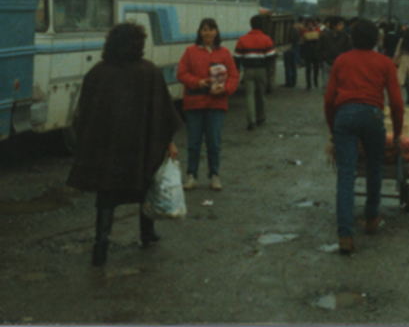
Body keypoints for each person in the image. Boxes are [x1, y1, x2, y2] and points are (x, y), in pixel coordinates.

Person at [66, 23, 183, 267]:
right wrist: (169, 143)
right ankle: (147, 234)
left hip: (108, 153)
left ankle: (100, 246)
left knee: (106, 197)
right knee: (143, 190)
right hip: (139, 151)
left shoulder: (98, 72)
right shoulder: (148, 72)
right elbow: (163, 114)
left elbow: (82, 115)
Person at [324, 19, 404, 255]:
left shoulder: (341, 61)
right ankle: (371, 217)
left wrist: (333, 130)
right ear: (377, 39)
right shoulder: (385, 62)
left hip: (344, 117)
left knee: (346, 174)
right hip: (373, 116)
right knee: (374, 166)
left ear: (352, 37)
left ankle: (345, 235)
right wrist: (398, 134)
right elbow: (397, 103)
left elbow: (329, 100)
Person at [177, 18, 239, 191]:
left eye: (211, 29)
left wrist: (226, 89)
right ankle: (191, 176)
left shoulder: (224, 53)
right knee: (193, 143)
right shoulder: (190, 51)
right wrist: (197, 82)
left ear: (216, 32)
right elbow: (181, 73)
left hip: (216, 104)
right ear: (199, 32)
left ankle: (214, 176)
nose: (208, 33)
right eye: (204, 29)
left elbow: (234, 75)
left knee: (214, 142)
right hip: (194, 104)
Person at [234, 15, 276, 130]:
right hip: (261, 70)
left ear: (251, 25)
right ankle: (260, 117)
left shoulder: (242, 39)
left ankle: (251, 121)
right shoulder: (266, 39)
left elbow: (237, 57)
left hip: (248, 70)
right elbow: (271, 57)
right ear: (262, 25)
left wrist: (237, 70)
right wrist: (268, 70)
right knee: (260, 95)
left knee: (249, 95)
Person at [317, 16, 352, 90]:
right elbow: (318, 49)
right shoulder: (324, 36)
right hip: (327, 64)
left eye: (343, 24)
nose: (343, 26)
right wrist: (323, 59)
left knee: (340, 86)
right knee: (326, 86)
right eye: (340, 24)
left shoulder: (345, 37)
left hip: (340, 65)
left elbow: (348, 50)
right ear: (334, 25)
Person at [301, 17, 321, 90]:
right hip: (308, 51)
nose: (309, 25)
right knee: (308, 68)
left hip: (315, 51)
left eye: (310, 24)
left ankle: (315, 80)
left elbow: (320, 38)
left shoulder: (317, 30)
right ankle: (308, 84)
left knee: (316, 68)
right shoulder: (304, 30)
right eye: (308, 24)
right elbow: (302, 40)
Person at [282, 18, 302, 87]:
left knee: (288, 66)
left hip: (289, 48)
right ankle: (293, 81)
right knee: (293, 66)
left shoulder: (288, 30)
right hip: (295, 48)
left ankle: (289, 82)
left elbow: (290, 39)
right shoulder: (294, 29)